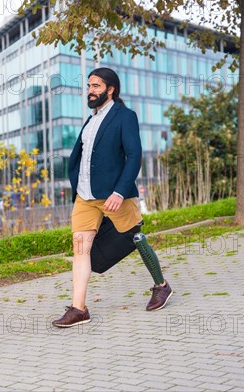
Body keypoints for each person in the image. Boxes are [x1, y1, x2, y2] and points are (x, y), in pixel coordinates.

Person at [52, 67, 173, 328]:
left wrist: (120, 191)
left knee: (136, 237)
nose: (90, 91)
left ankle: (161, 286)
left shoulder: (125, 116)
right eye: (88, 86)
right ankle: (79, 308)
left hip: (114, 193)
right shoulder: (90, 120)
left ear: (111, 89)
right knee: (80, 248)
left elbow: (134, 156)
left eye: (96, 86)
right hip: (85, 195)